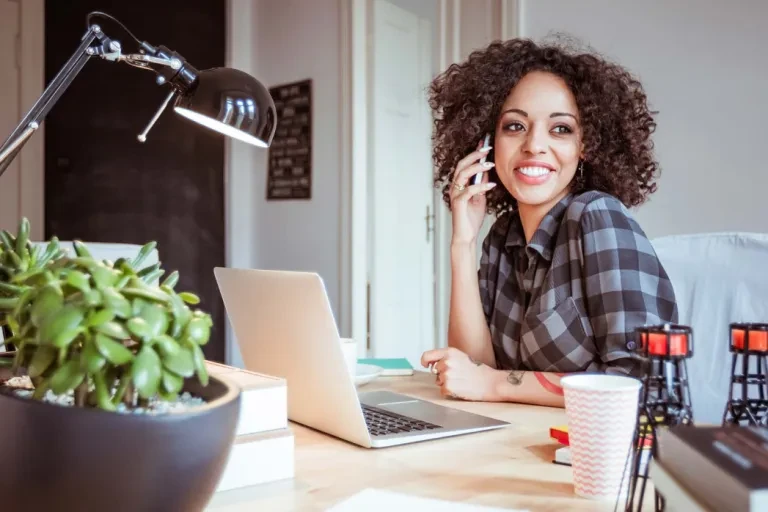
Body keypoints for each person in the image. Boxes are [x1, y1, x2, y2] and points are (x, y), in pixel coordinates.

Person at [420, 36, 678, 408]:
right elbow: (470, 374)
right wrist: (462, 242)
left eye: (560, 129)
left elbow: (642, 382)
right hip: (521, 444)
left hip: (602, 454)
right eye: (514, 126)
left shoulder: (597, 218)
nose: (534, 145)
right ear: (487, 142)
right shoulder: (500, 239)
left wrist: (496, 385)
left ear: (586, 146)